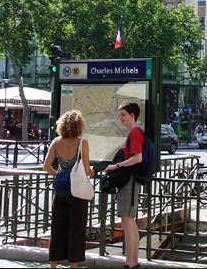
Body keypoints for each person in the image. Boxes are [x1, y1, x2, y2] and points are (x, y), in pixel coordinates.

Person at [43, 110, 95, 268]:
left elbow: (46, 166)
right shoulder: (82, 143)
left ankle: (53, 264)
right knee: (76, 229)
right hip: (77, 193)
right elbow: (87, 171)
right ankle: (73, 265)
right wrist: (92, 173)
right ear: (79, 125)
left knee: (57, 228)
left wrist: (58, 174)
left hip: (60, 191)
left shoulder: (56, 142)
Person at [104, 103, 144, 269]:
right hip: (131, 181)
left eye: (123, 115)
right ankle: (133, 261)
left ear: (132, 116)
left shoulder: (134, 133)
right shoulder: (137, 132)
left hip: (129, 181)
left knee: (127, 222)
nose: (121, 118)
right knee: (129, 221)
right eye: (120, 115)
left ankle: (131, 262)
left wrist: (116, 166)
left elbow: (137, 158)